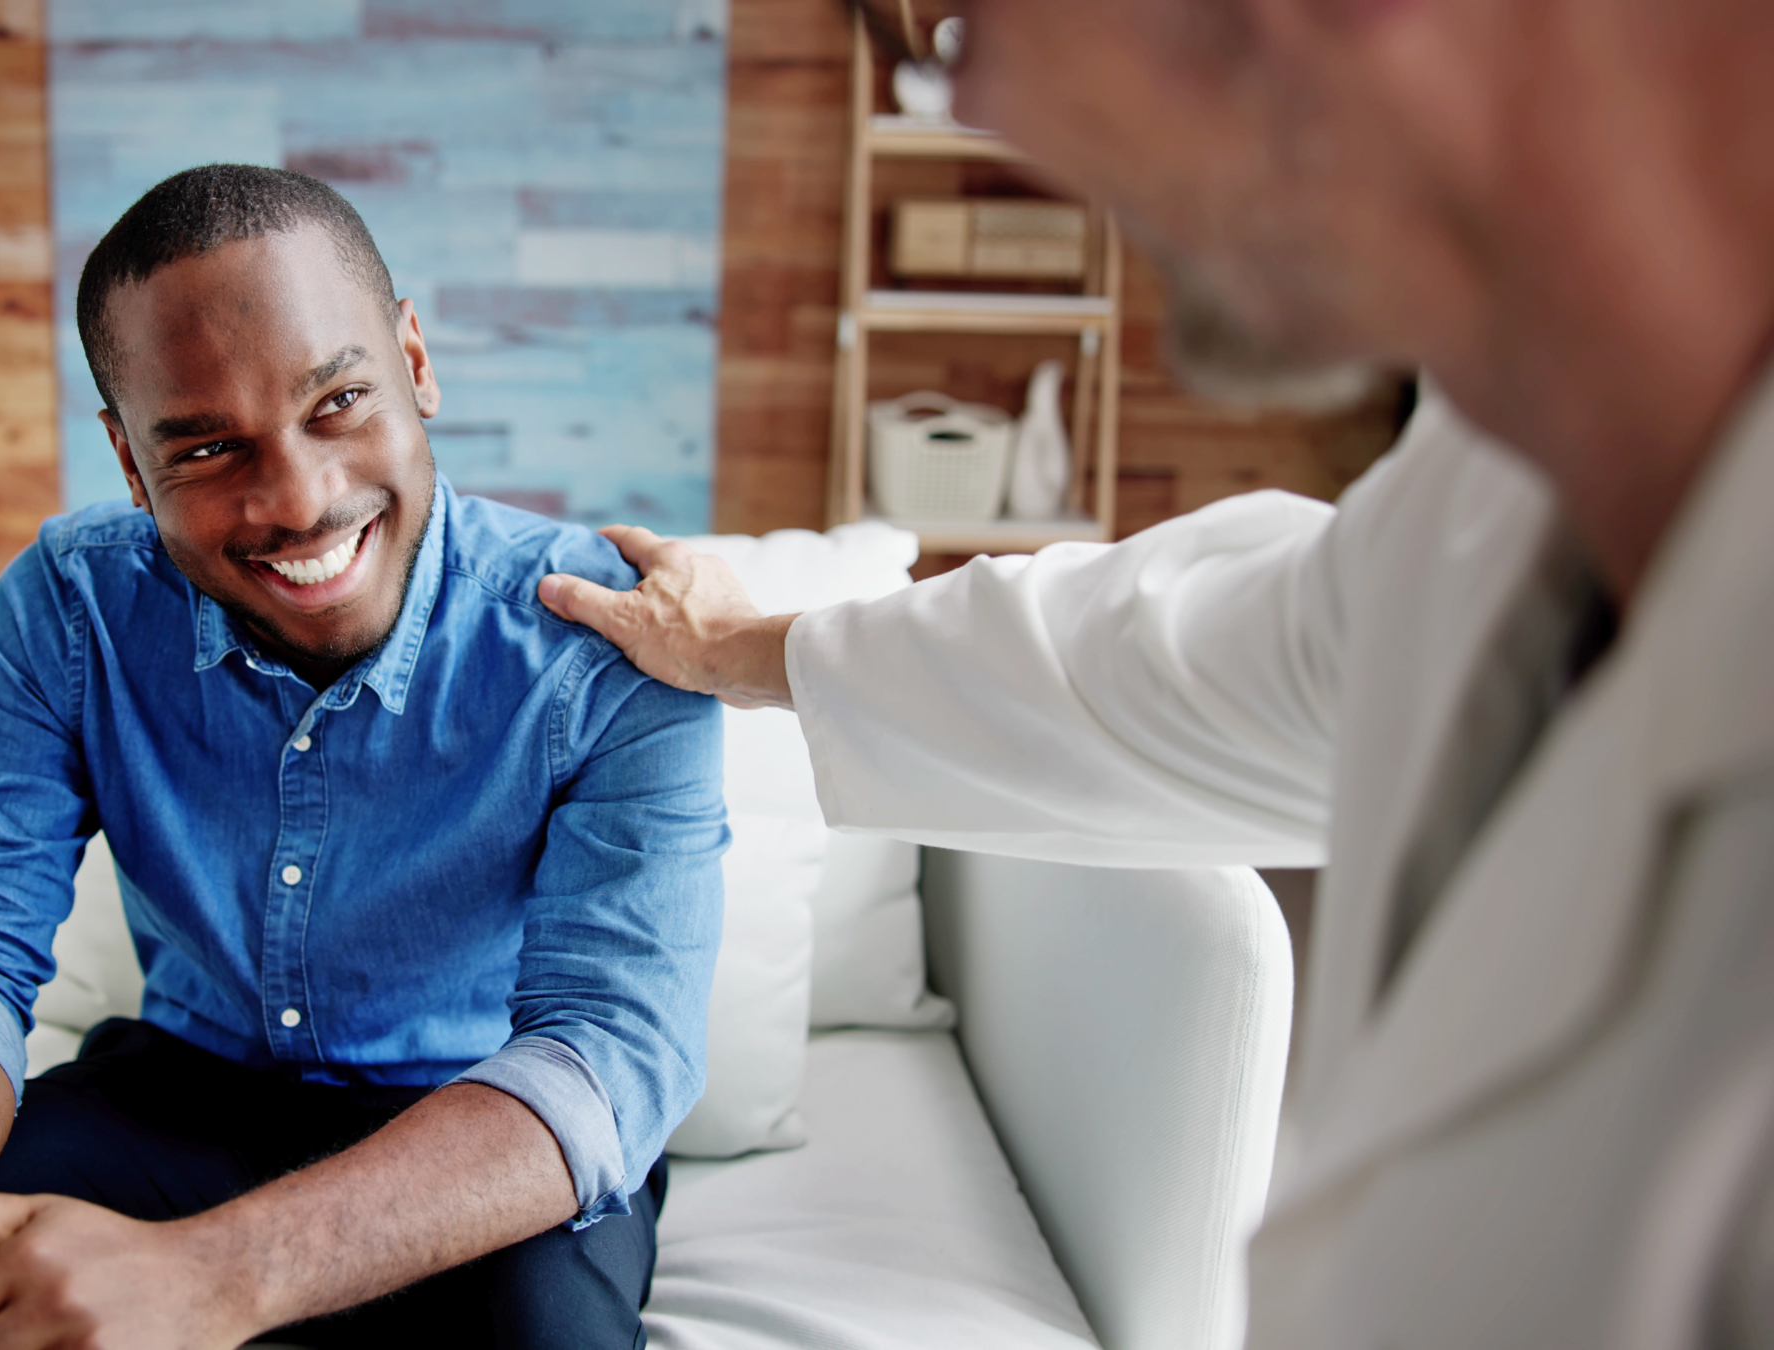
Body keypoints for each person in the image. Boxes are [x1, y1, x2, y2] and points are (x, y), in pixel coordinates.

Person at [542, 1, 1772, 1346]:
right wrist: (745, 651)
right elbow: (1157, 657)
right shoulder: (1488, 512)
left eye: (958, 34)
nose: (983, 121)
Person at [0, 165, 726, 1350]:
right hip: (183, 1086)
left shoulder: (613, 637)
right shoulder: (69, 610)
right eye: (207, 449)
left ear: (413, 361)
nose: (299, 503)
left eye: (338, 402)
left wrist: (212, 1277)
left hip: (486, 1120)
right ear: (127, 457)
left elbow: (607, 1054)